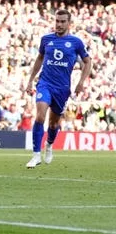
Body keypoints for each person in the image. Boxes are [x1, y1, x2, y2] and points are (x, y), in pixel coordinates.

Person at [24, 9, 91, 168]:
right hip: (45, 83)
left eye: (62, 22)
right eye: (57, 21)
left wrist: (81, 82)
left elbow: (87, 62)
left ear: (69, 23)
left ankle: (48, 145)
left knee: (53, 125)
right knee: (40, 116)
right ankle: (35, 155)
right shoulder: (46, 39)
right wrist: (30, 80)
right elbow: (39, 59)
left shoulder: (76, 42)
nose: (59, 24)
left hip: (62, 89)